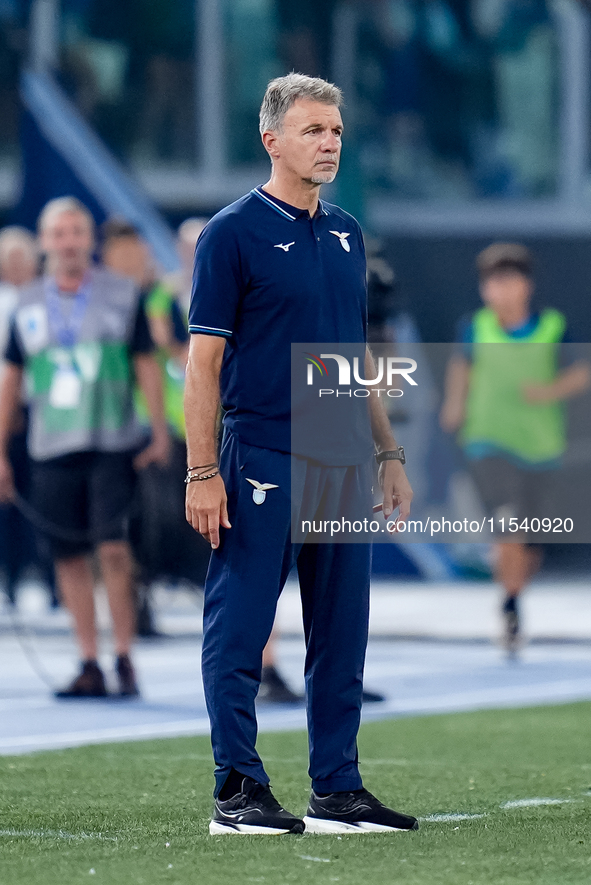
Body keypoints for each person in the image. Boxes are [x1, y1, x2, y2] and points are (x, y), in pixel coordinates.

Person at [185, 73, 417, 835]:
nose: (329, 143)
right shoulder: (231, 232)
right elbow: (203, 366)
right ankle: (237, 790)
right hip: (260, 455)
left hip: (344, 462)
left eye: (337, 131)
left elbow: (351, 356)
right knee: (241, 625)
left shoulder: (348, 232)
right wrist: (201, 470)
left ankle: (337, 788)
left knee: (341, 629)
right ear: (272, 139)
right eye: (314, 130)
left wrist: (388, 452)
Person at [0, 197, 169, 697]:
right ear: (45, 242)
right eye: (59, 234)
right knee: (68, 554)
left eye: (77, 232)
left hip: (110, 442)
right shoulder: (27, 303)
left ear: (89, 240)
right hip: (50, 447)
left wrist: (157, 429)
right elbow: (11, 378)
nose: (68, 242)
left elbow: (146, 362)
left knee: (113, 549)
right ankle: (89, 660)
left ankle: (123, 655)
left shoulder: (121, 293)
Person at [440, 242, 590, 653]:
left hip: (540, 447)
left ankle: (513, 595)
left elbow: (580, 374)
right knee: (508, 523)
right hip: (487, 440)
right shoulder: (475, 327)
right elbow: (461, 366)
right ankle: (508, 604)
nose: (500, 290)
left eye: (508, 280)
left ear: (526, 284)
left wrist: (548, 391)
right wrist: (454, 405)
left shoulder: (552, 327)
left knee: (530, 541)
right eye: (492, 282)